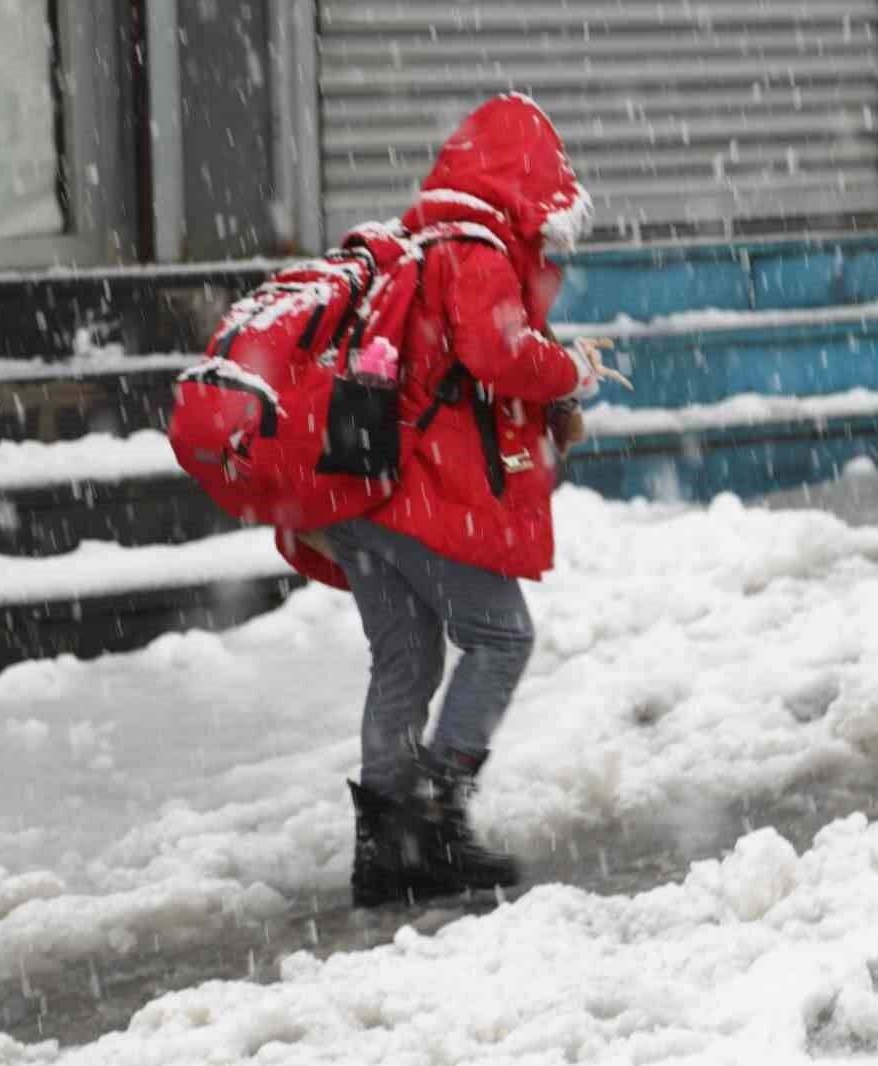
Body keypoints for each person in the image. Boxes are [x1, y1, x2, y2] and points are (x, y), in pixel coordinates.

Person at [284, 94, 620, 907]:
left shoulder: (418, 243)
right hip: (420, 494)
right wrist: (570, 370)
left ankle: (386, 850)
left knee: (406, 658)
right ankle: (436, 817)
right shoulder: (475, 250)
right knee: (501, 638)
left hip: (362, 488)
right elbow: (497, 352)